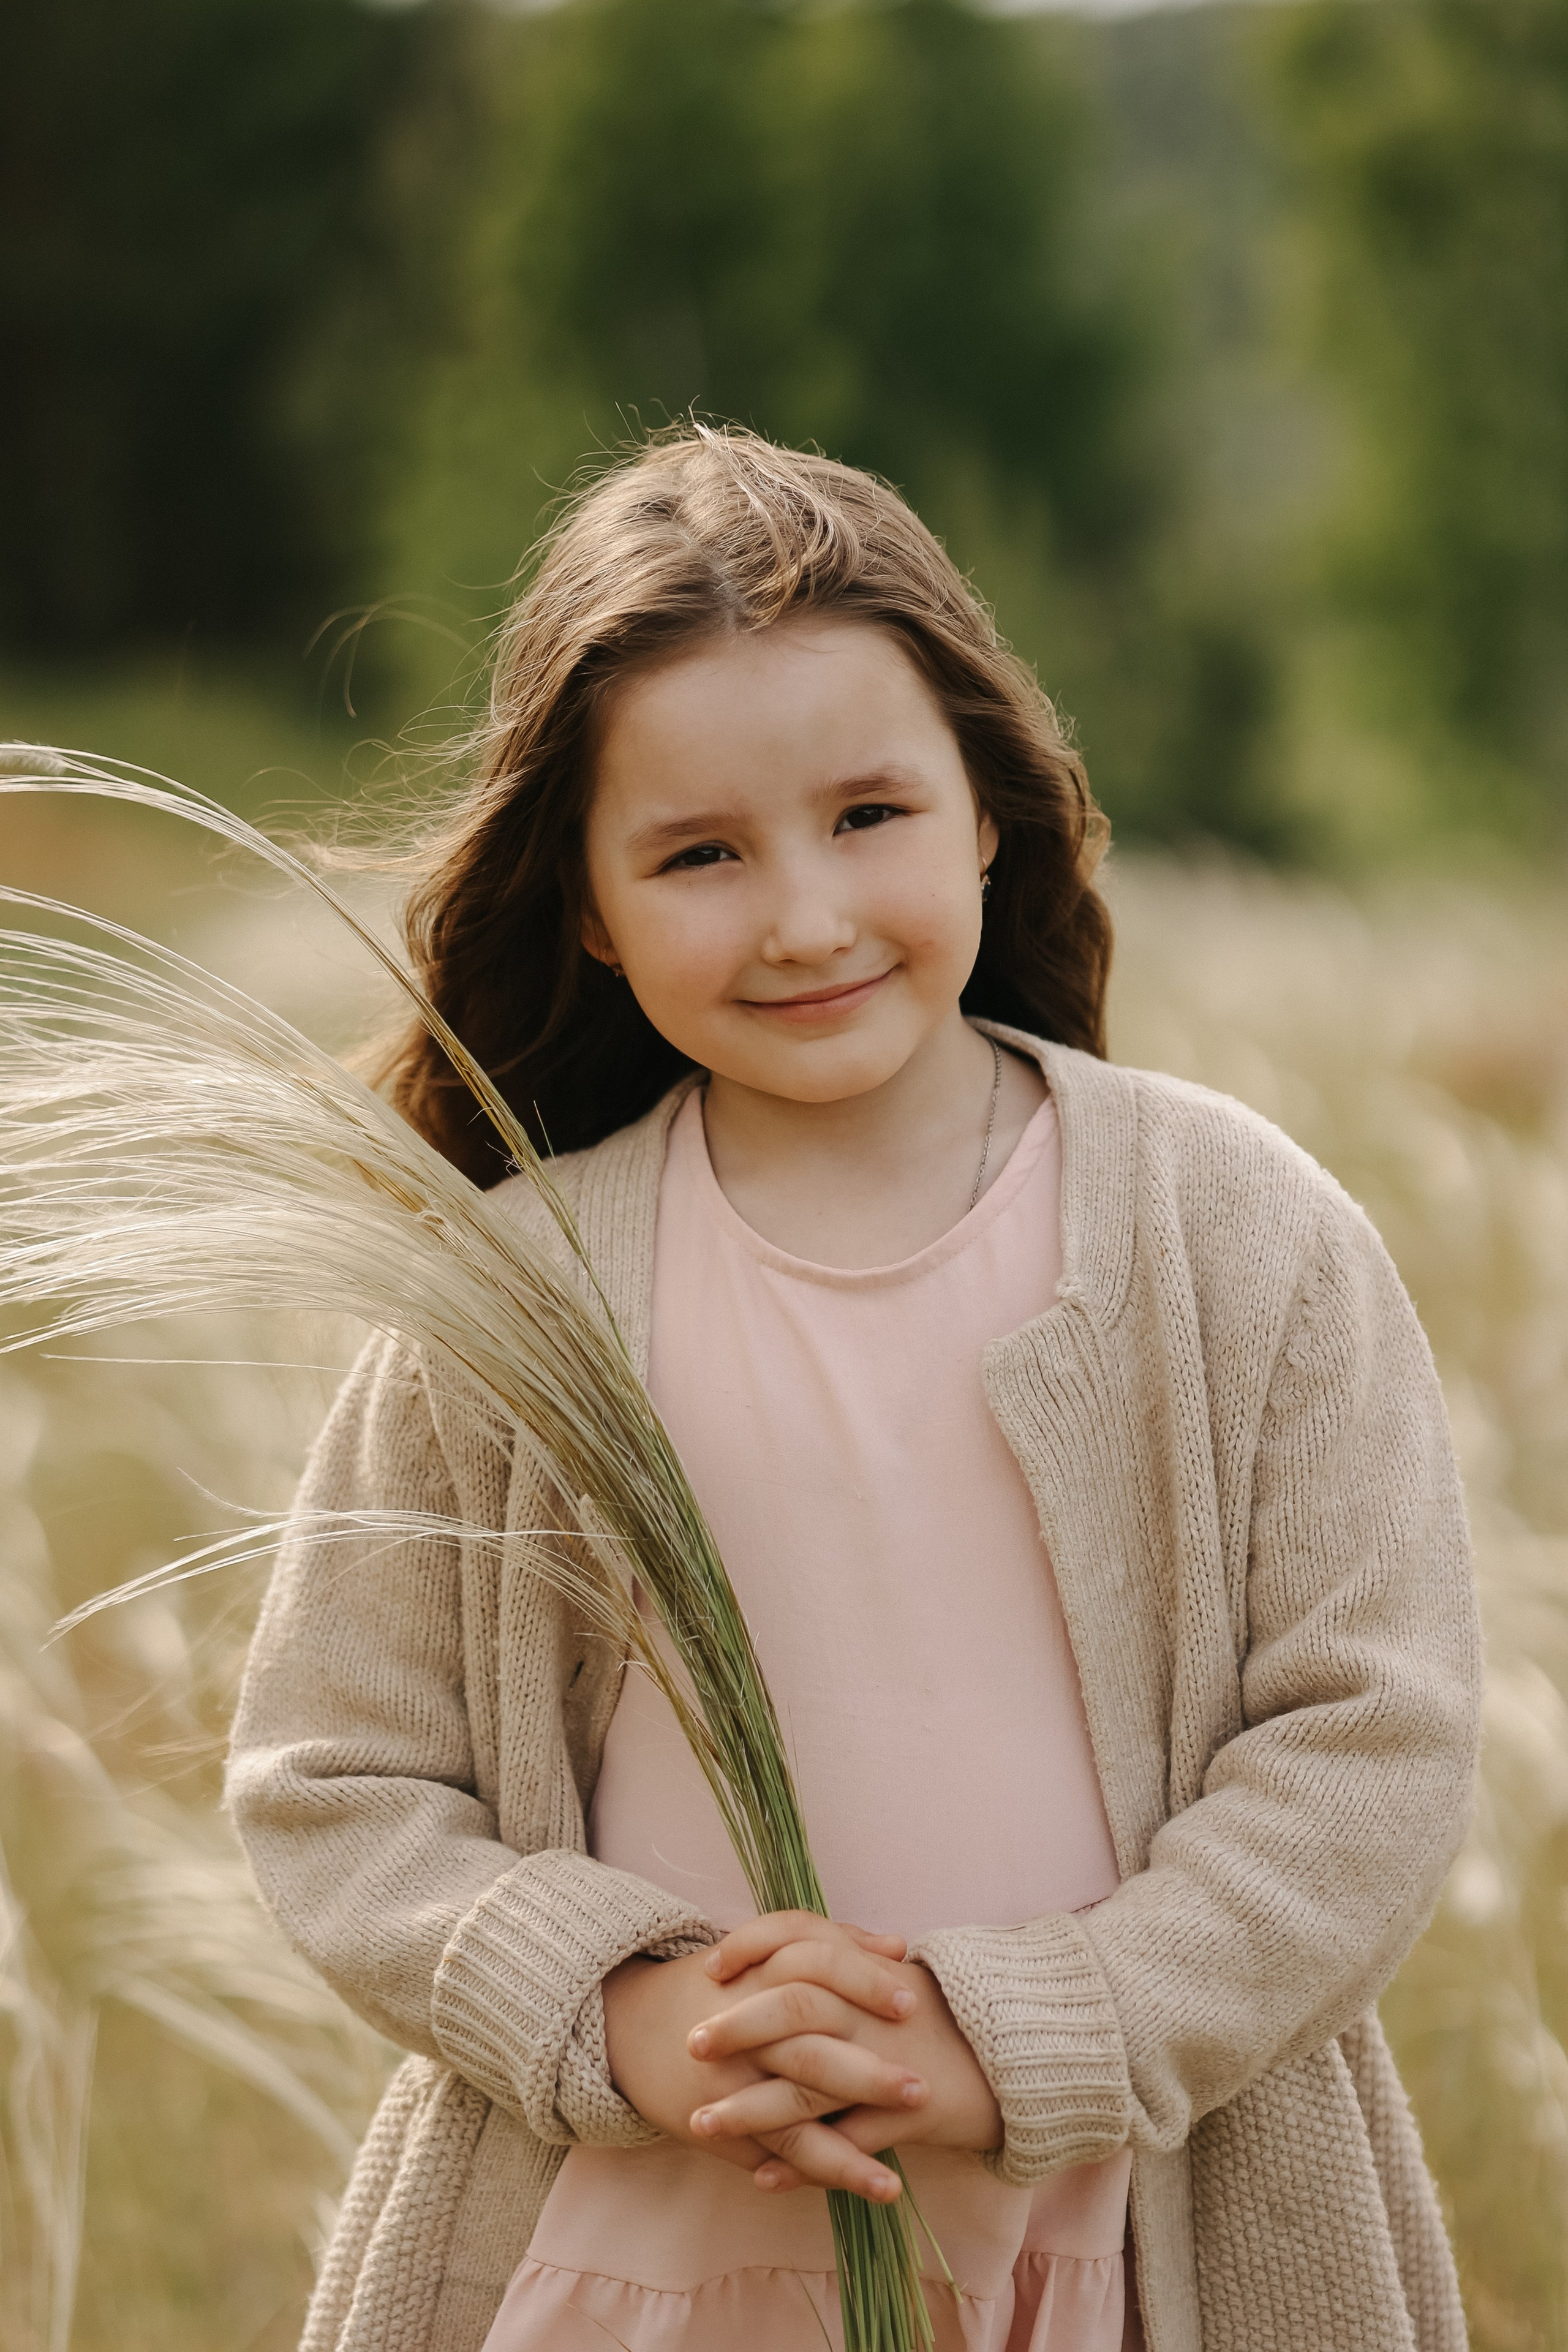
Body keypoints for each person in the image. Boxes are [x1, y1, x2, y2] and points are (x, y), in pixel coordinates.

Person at [227, 426, 1480, 2352]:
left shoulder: (1242, 1236)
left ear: (989, 808)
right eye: (702, 854)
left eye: (870, 816)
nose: (805, 915)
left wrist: (1026, 2038)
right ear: (583, 901)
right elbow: (339, 1775)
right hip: (637, 2239)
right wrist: (617, 2012)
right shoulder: (522, 1286)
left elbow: (1370, 1746)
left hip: (1126, 2232)